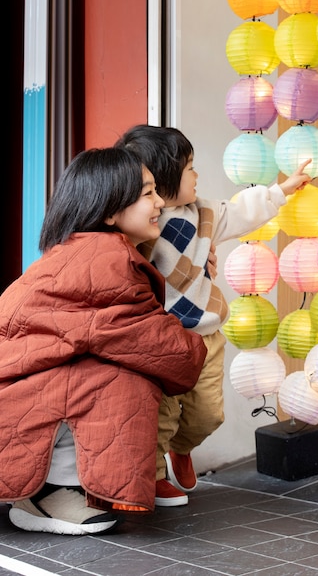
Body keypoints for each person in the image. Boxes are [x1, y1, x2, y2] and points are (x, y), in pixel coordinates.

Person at [0, 146, 207, 535]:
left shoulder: (79, 251)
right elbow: (174, 355)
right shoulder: (106, 260)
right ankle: (46, 493)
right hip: (17, 400)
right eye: (148, 193)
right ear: (110, 211)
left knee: (109, 364)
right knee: (120, 375)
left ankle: (58, 482)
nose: (160, 201)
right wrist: (197, 346)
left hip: (13, 392)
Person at [115, 125, 312, 507]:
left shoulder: (204, 213)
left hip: (207, 335)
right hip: (166, 339)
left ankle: (182, 448)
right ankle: (154, 477)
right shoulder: (141, 225)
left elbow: (240, 212)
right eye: (189, 167)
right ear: (163, 179)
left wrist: (281, 191)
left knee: (208, 413)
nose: (197, 174)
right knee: (162, 414)